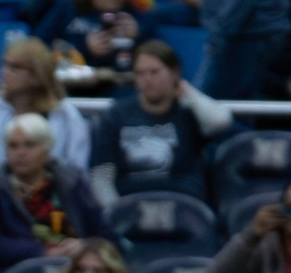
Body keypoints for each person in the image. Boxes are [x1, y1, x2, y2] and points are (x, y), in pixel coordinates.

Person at [88, 38, 230, 203]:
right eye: (140, 73)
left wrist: (186, 90)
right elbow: (101, 176)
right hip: (132, 204)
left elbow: (221, 121)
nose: (147, 79)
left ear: (174, 72)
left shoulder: (189, 112)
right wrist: (116, 212)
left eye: (154, 72)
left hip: (182, 204)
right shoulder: (116, 115)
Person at [0, 111, 112, 273]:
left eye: (29, 145)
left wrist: (84, 246)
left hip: (76, 268)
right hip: (16, 271)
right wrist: (41, 251)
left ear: (47, 149)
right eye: (13, 146)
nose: (21, 153)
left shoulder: (72, 182)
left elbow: (105, 234)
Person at [0, 36, 91, 183]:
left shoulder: (67, 117)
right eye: (3, 65)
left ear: (37, 74)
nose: (4, 73)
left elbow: (78, 172)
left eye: (14, 68)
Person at [40, 0, 153, 89]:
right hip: (71, 86)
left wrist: (138, 36)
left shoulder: (134, 16)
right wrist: (83, 48)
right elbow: (39, 45)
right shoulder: (68, 9)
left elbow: (159, 54)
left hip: (120, 88)